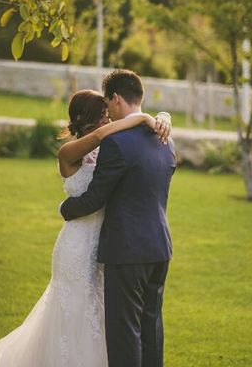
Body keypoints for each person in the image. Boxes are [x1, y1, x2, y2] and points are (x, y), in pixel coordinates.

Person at [0, 87, 172, 367]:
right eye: (104, 115)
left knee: (107, 317)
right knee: (75, 313)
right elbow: (100, 137)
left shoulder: (114, 147)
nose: (109, 120)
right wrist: (143, 118)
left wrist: (162, 117)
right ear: (90, 118)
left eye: (109, 114)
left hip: (109, 242)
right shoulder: (70, 151)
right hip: (78, 245)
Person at [60, 70, 176, 367]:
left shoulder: (118, 142)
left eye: (109, 106)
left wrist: (66, 209)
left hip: (127, 251)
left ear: (116, 98)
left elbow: (97, 196)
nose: (108, 114)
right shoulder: (165, 139)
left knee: (125, 338)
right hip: (159, 247)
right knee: (151, 332)